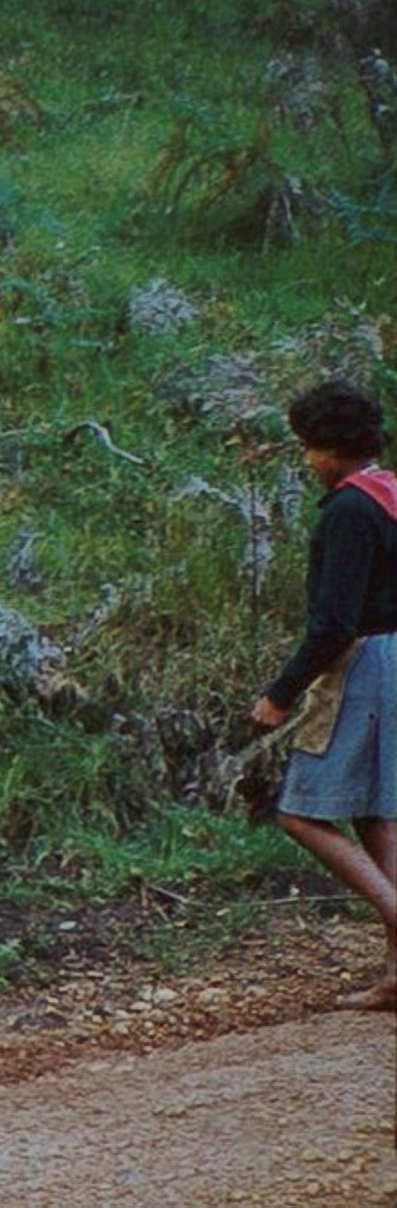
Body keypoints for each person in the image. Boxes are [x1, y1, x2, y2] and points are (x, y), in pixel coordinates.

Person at [248, 379, 397, 1012]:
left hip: (365, 663)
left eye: (309, 448)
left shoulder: (346, 511)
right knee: (378, 814)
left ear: (332, 449)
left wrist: (280, 694)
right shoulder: (389, 493)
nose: (307, 460)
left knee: (300, 811)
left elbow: (333, 623)